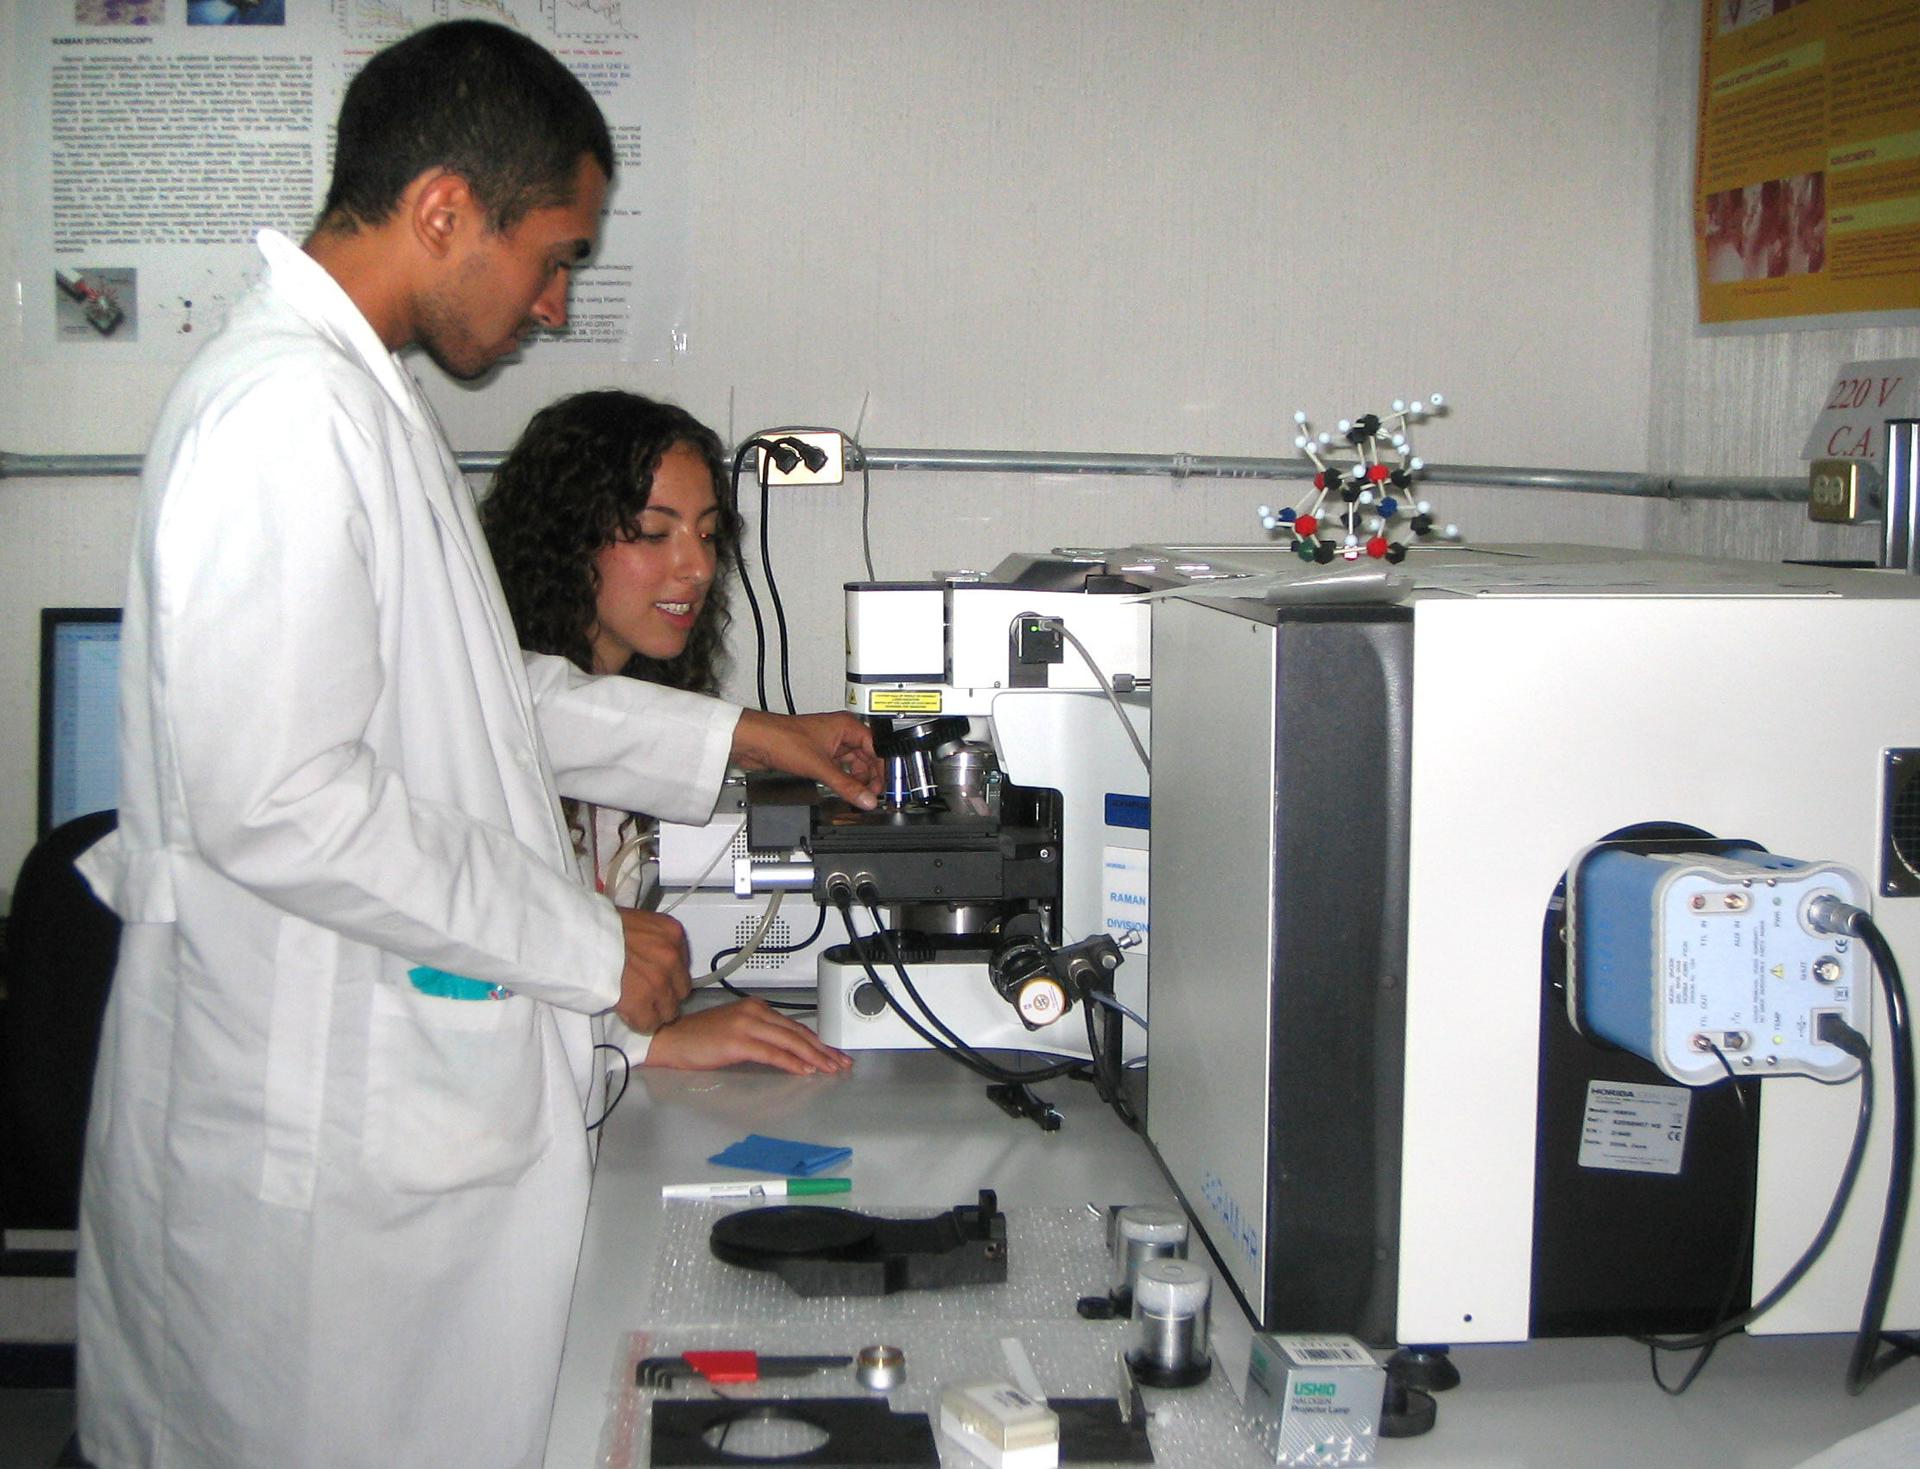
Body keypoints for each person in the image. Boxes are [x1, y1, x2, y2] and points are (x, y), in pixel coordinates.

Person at [71, 20, 878, 1469]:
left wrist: (746, 734)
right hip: (316, 1169)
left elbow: (478, 696)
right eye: (555, 254)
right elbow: (281, 802)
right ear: (444, 209)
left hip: (379, 1129)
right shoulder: (286, 415)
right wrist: (583, 943)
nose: (558, 306)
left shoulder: (354, 404)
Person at [482, 390, 852, 1075]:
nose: (699, 567)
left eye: (707, 533)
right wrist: (651, 1044)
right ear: (565, 541)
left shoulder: (642, 717)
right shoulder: (484, 708)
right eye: (656, 532)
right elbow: (480, 986)